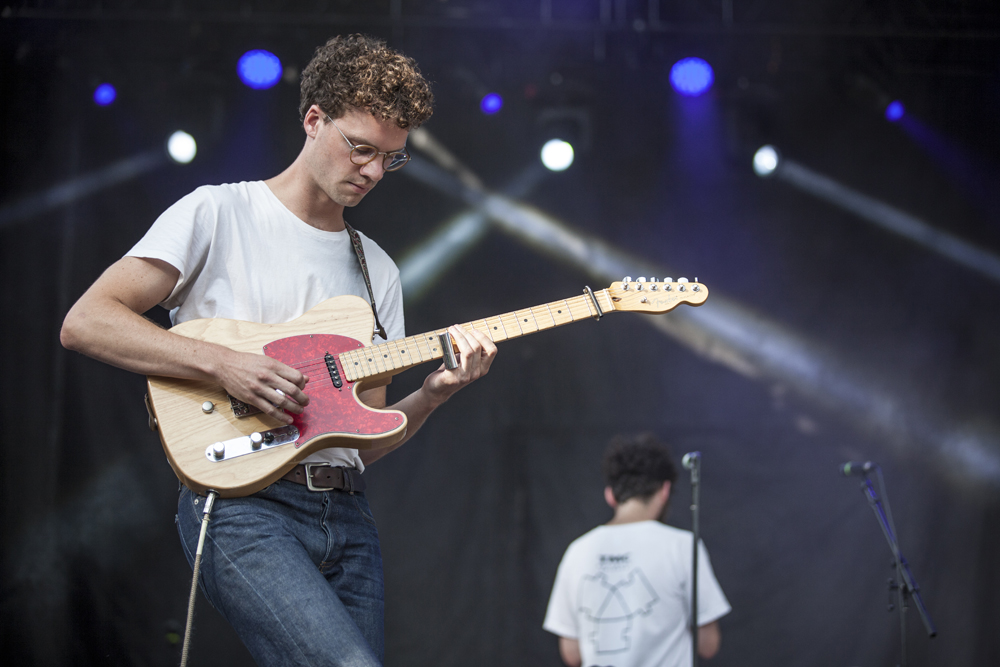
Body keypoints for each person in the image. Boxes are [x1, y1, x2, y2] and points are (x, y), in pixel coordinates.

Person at [60, 34, 497, 666]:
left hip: (347, 516)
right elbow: (87, 321)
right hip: (241, 507)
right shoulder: (219, 212)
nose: (374, 171)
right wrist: (226, 364)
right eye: (361, 148)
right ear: (313, 120)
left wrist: (433, 394)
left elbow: (364, 441)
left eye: (390, 159)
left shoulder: (378, 270)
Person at [543, 434, 730, 667]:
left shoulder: (577, 551)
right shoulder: (681, 546)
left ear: (610, 495)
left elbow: (571, 653)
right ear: (664, 490)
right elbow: (708, 645)